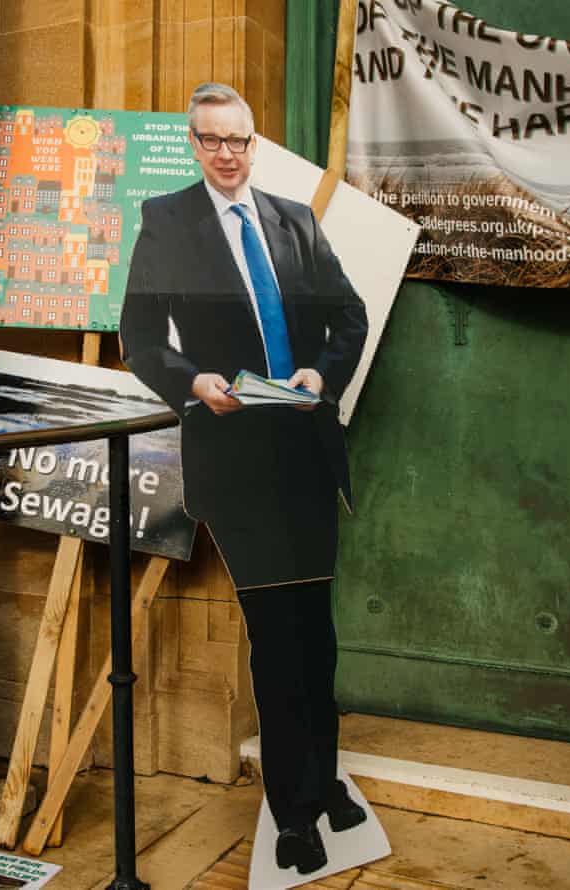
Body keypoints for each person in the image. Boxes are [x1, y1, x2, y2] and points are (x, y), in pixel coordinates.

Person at [120, 82, 369, 875]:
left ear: (254, 145)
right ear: (194, 145)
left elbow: (350, 317)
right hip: (234, 458)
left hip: (303, 451)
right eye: (212, 140)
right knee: (274, 637)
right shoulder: (168, 221)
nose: (227, 154)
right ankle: (293, 816)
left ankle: (322, 779)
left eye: (239, 140)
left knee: (315, 632)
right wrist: (193, 383)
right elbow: (137, 336)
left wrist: (319, 376)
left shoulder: (295, 221)